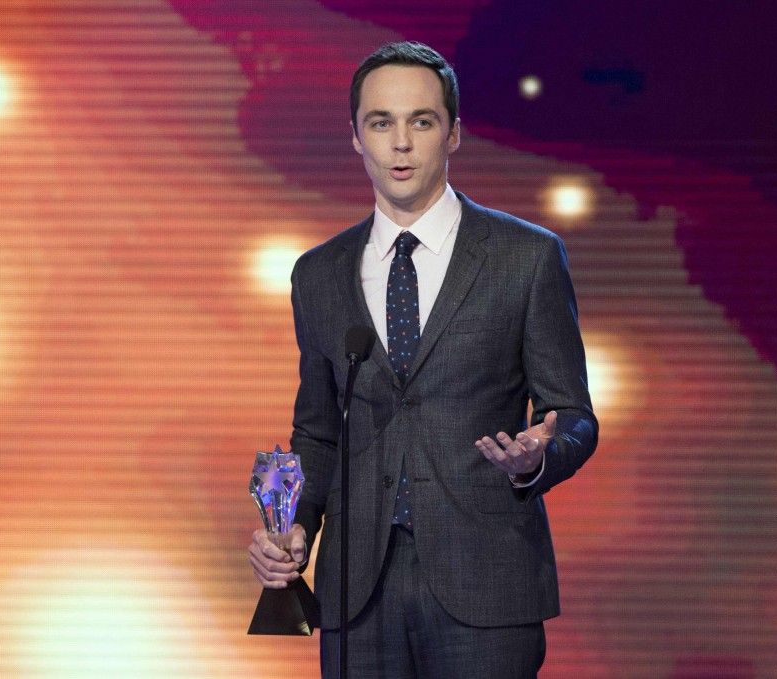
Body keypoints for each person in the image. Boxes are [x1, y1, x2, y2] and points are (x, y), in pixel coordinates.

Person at [248, 41, 598, 678]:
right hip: (359, 592)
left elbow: (573, 415)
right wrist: (292, 528)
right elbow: (318, 430)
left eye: (422, 121)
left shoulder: (526, 258)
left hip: (487, 584)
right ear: (356, 137)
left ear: (454, 133)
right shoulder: (319, 274)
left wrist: (537, 457)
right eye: (381, 123)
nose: (400, 143)